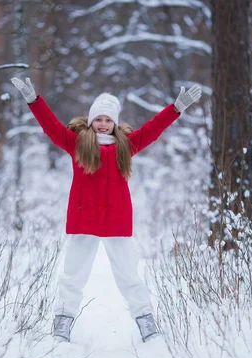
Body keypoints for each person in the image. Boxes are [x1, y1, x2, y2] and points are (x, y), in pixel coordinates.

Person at [11, 77, 201, 342]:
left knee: (129, 275)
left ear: (114, 123)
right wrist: (33, 99)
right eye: (98, 118)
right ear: (90, 120)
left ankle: (146, 322)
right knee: (73, 274)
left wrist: (177, 107)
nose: (103, 123)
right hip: (84, 219)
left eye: (108, 120)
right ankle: (63, 322)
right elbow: (50, 126)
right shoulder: (76, 143)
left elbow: (152, 129)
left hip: (117, 221)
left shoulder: (126, 146)